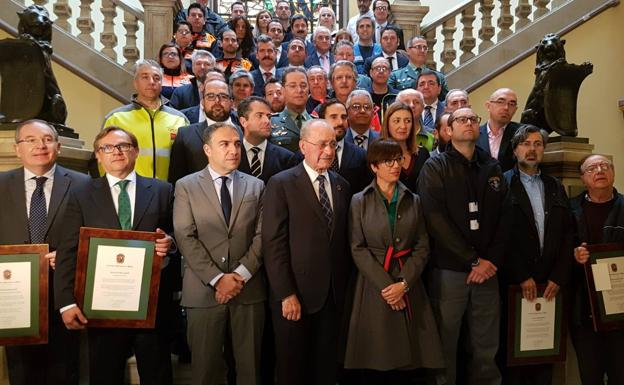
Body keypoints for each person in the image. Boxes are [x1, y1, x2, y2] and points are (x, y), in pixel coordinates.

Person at [55, 126, 175, 385]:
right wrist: (66, 302)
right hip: (102, 307)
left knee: (158, 374)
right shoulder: (81, 194)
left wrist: (170, 243)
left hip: (150, 306)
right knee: (105, 375)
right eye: (107, 148)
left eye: (123, 146)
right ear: (98, 156)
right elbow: (68, 250)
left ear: (136, 151)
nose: (116, 152)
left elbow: (175, 234)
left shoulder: (163, 190)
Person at [417, 107, 507, 385]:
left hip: (488, 271)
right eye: (461, 120)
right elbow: (435, 220)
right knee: (445, 345)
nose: (468, 123)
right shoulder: (435, 166)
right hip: (450, 271)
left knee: (486, 347)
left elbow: (506, 218)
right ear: (449, 129)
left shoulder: (491, 166)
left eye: (473, 119)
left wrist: (489, 261)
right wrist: (472, 260)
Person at [344, 138, 444, 384]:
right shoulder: (359, 200)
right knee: (375, 355)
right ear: (374, 166)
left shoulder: (414, 199)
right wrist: (388, 288)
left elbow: (422, 247)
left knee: (411, 360)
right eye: (388, 161)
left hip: (408, 282)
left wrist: (403, 284)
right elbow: (357, 248)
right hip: (373, 284)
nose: (395, 165)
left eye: (397, 159)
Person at [173, 122, 265, 385]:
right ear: (207, 150)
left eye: (237, 144)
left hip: (248, 291)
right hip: (203, 292)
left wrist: (239, 275)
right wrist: (217, 278)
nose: (233, 150)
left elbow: (262, 236)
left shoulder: (256, 186)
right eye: (224, 144)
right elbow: (184, 235)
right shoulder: (186, 186)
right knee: (205, 372)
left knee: (251, 371)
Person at [263, 119, 352, 385]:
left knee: (326, 371)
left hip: (333, 298)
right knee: (293, 370)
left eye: (332, 145)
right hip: (295, 298)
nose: (328, 151)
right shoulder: (281, 184)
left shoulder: (342, 185)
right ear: (303, 146)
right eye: (321, 144)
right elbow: (273, 243)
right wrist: (286, 293)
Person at [1, 120, 90, 385]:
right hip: (15, 296)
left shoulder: (83, 184)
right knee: (22, 372)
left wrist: (68, 257)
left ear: (58, 147)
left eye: (47, 139)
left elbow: (94, 233)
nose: (40, 145)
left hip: (64, 294)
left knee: (65, 370)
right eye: (30, 140)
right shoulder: (1, 184)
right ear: (17, 149)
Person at [501, 124, 572, 385]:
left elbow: (567, 235)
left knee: (544, 359)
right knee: (514, 360)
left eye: (538, 144)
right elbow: (500, 236)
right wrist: (521, 275)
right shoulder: (502, 183)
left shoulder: (555, 186)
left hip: (550, 284)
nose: (532, 150)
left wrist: (558, 276)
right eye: (526, 144)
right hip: (515, 284)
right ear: (515, 148)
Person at [570, 154, 624, 385]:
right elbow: (558, 249)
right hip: (584, 309)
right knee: (590, 375)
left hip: (621, 310)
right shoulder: (571, 210)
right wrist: (574, 255)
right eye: (592, 168)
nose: (600, 170)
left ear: (613, 173)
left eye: (605, 166)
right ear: (583, 178)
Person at [101, 59, 189, 181]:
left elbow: (188, 160)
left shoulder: (179, 119)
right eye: (145, 77)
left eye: (156, 78)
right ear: (135, 83)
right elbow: (102, 159)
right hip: (129, 191)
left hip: (168, 192)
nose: (151, 82)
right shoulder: (116, 118)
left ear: (161, 83)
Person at [169, 79, 235, 185]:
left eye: (223, 96)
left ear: (231, 102)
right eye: (210, 96)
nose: (217, 101)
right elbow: (176, 180)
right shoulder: (185, 135)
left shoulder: (243, 132)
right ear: (202, 102)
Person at [238, 97, 297, 183]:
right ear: (243, 121)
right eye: (259, 115)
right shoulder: (232, 155)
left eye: (268, 116)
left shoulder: (286, 158)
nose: (267, 121)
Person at [318, 99, 370, 193]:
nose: (340, 122)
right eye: (334, 117)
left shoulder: (361, 155)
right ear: (321, 120)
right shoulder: (308, 154)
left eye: (344, 117)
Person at [381, 102, 429, 192]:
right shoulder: (378, 155)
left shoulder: (423, 153)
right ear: (387, 124)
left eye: (408, 121)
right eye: (397, 121)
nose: (403, 126)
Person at [476, 88, 521, 172]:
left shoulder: (522, 132)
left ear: (515, 110)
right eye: (500, 102)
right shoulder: (475, 134)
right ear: (488, 106)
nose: (506, 107)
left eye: (511, 104)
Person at [269, 67, 311, 153]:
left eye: (303, 86)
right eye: (293, 86)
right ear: (283, 91)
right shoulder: (271, 122)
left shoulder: (317, 122)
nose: (299, 90)